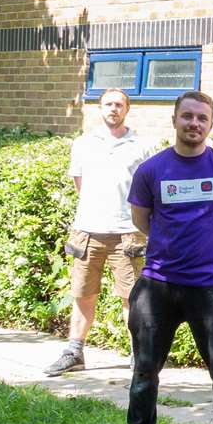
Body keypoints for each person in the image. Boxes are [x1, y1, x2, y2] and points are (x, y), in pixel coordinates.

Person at [111, 91, 213, 424]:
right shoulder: (151, 171)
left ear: (210, 124)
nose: (194, 124)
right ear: (174, 120)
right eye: (187, 116)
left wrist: (210, 248)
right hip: (157, 286)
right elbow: (143, 221)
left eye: (202, 118)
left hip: (210, 289)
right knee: (145, 369)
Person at [46, 88, 152, 377]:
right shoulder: (83, 144)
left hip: (127, 234)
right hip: (88, 232)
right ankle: (74, 351)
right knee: (83, 294)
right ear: (100, 108)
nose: (113, 109)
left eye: (119, 104)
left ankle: (139, 355)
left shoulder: (140, 146)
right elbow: (81, 184)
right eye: (108, 104)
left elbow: (146, 190)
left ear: (127, 109)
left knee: (132, 297)